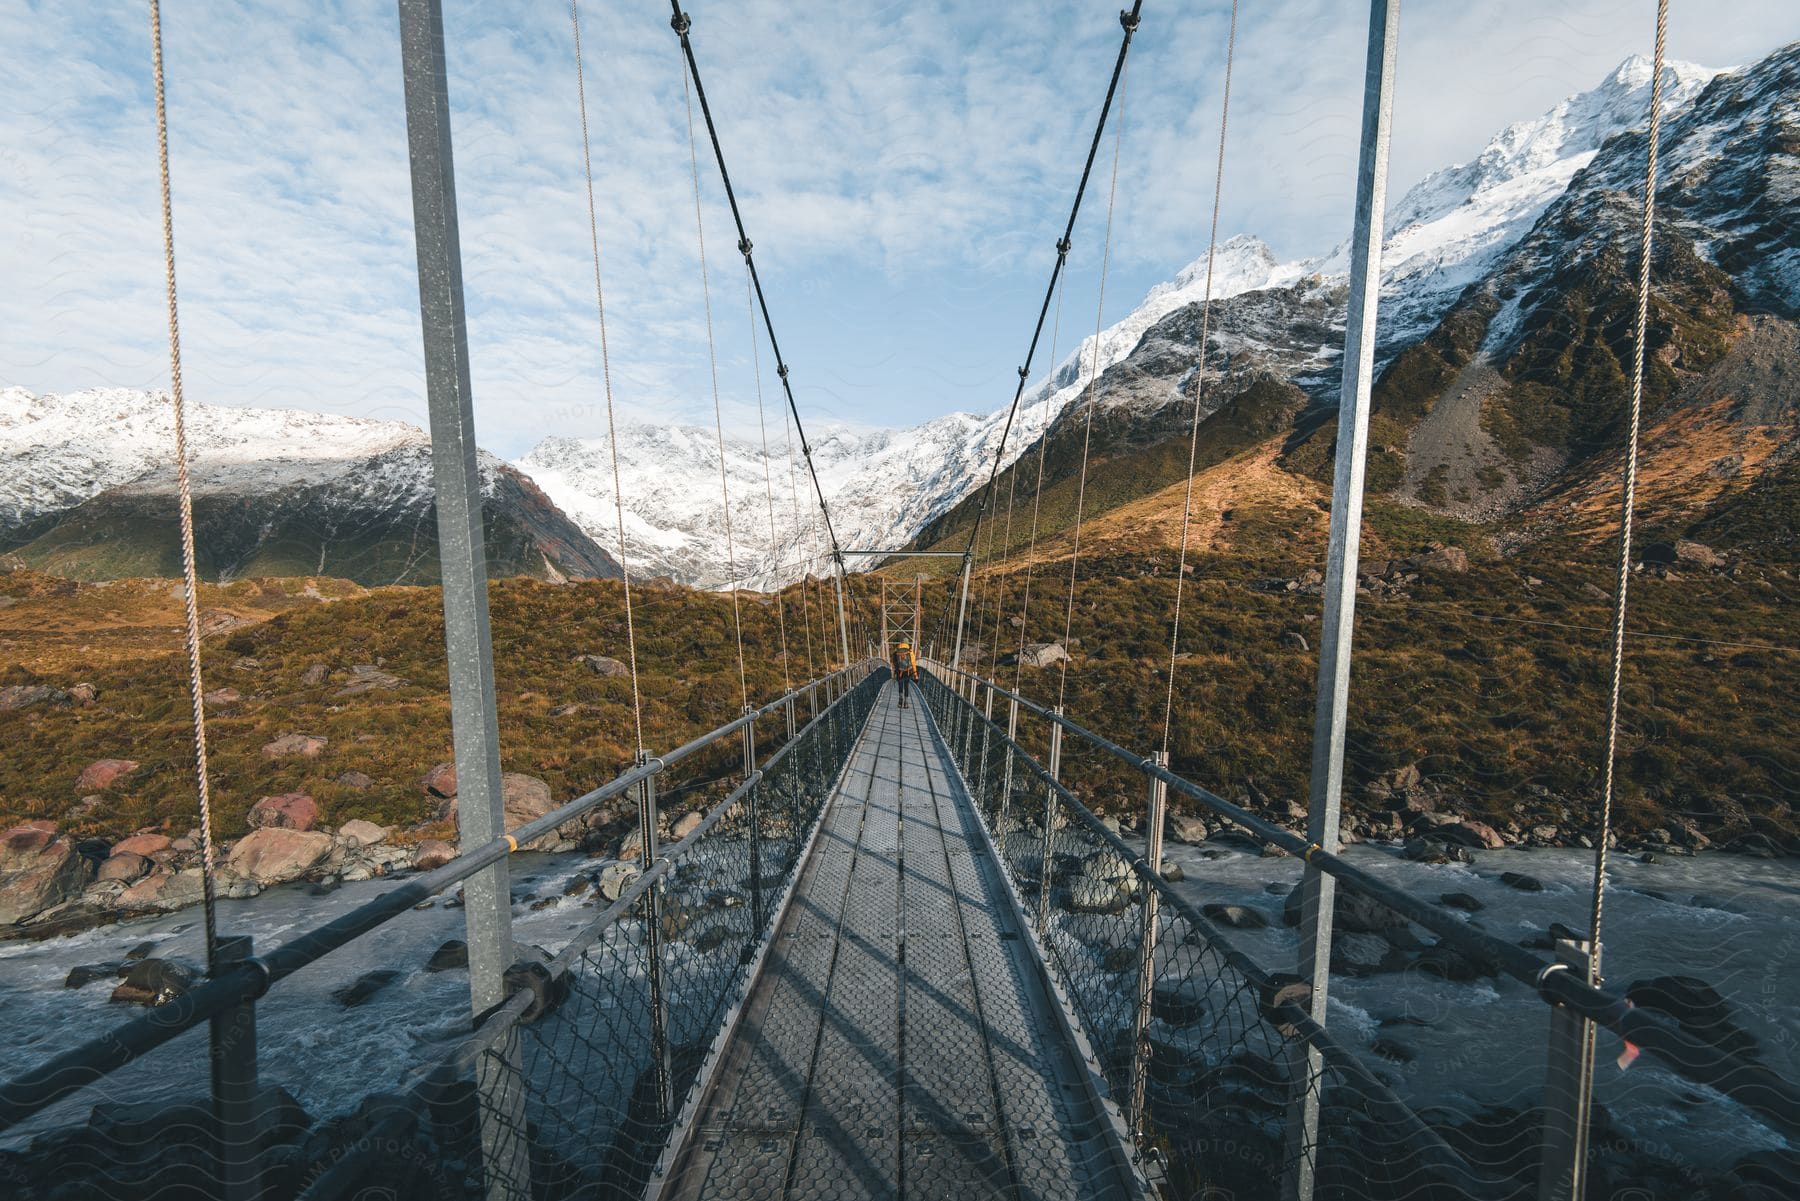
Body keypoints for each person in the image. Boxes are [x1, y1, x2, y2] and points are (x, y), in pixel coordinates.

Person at [890, 639, 919, 708]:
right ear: (907, 643)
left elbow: (893, 662)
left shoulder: (896, 651)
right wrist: (915, 674)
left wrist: (894, 672)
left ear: (901, 642)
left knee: (900, 686)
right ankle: (906, 703)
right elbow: (913, 663)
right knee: (906, 686)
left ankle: (900, 701)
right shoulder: (910, 651)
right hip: (908, 672)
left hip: (899, 672)